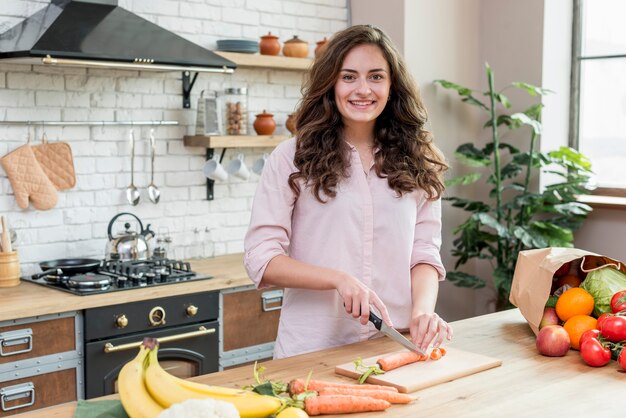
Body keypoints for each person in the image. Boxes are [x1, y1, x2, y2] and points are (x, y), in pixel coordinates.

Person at [244, 24, 452, 359]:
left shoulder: (419, 160)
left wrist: (422, 313)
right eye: (349, 76)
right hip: (313, 349)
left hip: (393, 346)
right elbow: (262, 259)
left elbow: (424, 253)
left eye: (376, 76)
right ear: (331, 83)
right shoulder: (291, 157)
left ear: (392, 85)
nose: (363, 89)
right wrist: (338, 279)